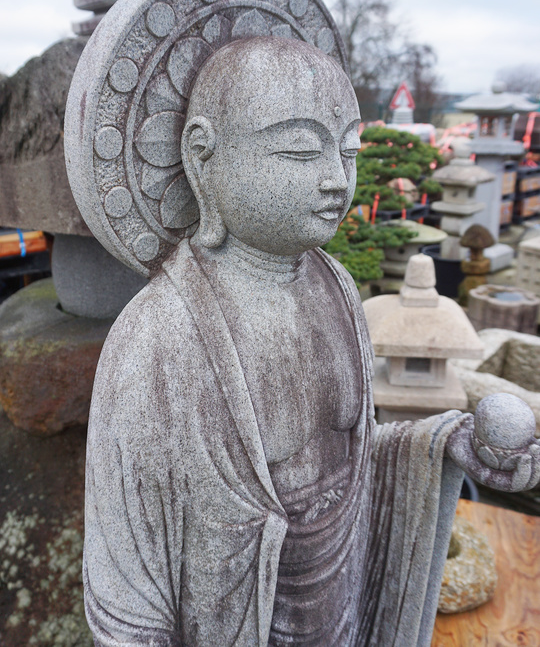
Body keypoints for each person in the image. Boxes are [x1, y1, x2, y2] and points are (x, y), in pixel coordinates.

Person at [83, 38, 537, 647]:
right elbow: (126, 596)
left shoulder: (338, 287)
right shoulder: (156, 340)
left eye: (347, 151)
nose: (335, 180)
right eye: (300, 150)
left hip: (341, 608)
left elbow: (348, 459)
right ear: (202, 157)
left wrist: (444, 445)